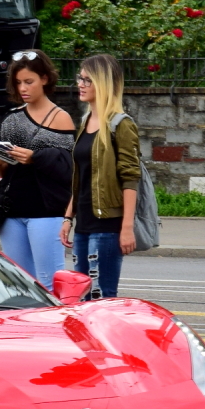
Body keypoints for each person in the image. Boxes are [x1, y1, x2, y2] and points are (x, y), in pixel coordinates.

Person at [0, 49, 77, 290]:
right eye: (18, 83)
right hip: (12, 209)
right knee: (19, 283)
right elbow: (4, 173)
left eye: (29, 82)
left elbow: (68, 169)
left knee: (49, 283)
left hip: (46, 210)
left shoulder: (60, 118)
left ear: (45, 79)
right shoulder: (12, 119)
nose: (23, 88)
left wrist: (35, 158)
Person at [58, 53, 141, 299]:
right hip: (83, 224)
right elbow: (82, 176)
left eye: (87, 80)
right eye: (80, 78)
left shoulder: (120, 125)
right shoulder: (86, 121)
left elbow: (130, 177)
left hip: (107, 227)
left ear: (103, 84)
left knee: (102, 298)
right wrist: (67, 218)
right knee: (81, 299)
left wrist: (126, 228)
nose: (80, 84)